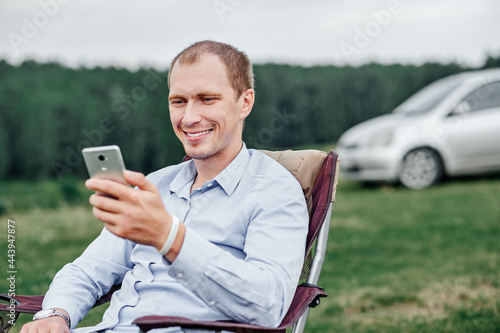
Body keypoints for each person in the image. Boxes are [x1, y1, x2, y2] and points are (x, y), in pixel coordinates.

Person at [21, 40, 308, 333]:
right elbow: (88, 270)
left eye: (208, 99)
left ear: (245, 102)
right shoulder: (155, 185)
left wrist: (170, 238)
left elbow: (268, 306)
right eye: (178, 101)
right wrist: (56, 314)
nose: (189, 117)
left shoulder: (275, 191)